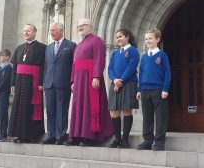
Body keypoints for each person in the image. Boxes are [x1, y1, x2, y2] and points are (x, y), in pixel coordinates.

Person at [65, 18, 113, 146]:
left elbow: (99, 59)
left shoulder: (97, 41)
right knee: (78, 106)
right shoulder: (79, 44)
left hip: (91, 78)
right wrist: (73, 80)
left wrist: (96, 76)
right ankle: (76, 135)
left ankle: (90, 136)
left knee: (89, 106)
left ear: (90, 27)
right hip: (79, 80)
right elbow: (74, 64)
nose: (80, 27)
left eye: (83, 25)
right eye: (79, 26)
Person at [8, 24, 46, 143]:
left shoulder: (42, 47)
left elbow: (44, 66)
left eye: (28, 31)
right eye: (25, 31)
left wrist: (41, 82)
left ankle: (31, 135)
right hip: (19, 82)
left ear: (35, 32)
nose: (26, 32)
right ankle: (19, 134)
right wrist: (12, 83)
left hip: (33, 83)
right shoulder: (19, 48)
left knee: (30, 108)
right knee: (19, 107)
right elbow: (15, 67)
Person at [136, 28, 171, 151]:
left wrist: (165, 89)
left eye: (150, 38)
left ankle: (160, 141)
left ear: (157, 39)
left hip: (158, 90)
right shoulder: (144, 57)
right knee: (147, 117)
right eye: (146, 39)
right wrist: (139, 90)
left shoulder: (162, 55)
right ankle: (147, 140)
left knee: (160, 116)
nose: (148, 41)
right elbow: (141, 73)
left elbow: (167, 73)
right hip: (145, 90)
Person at [42, 22, 76, 145]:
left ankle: (60, 135)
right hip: (49, 83)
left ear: (61, 30)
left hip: (63, 83)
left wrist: (73, 81)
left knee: (62, 110)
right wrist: (44, 82)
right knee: (50, 110)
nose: (51, 33)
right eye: (50, 31)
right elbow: (46, 66)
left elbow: (74, 66)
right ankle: (51, 135)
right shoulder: (48, 47)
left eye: (53, 30)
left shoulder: (71, 46)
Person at [108, 29, 140, 148]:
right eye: (117, 38)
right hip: (115, 83)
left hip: (128, 83)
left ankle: (125, 140)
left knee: (127, 110)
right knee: (114, 111)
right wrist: (114, 80)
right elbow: (110, 69)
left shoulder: (133, 51)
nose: (118, 39)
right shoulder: (115, 53)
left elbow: (131, 68)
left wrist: (120, 81)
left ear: (127, 37)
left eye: (120, 37)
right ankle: (117, 139)